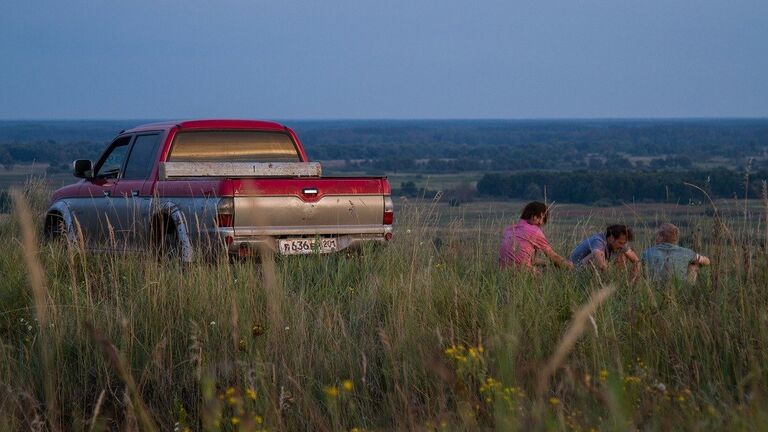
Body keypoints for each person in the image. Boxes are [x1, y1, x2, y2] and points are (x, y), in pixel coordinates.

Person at [499, 201, 574, 271]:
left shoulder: (508, 230)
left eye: (543, 219)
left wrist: (547, 263)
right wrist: (570, 266)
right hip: (524, 274)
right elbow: (553, 257)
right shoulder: (534, 231)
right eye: (539, 217)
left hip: (504, 273)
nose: (541, 222)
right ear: (532, 216)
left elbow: (530, 259)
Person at [641, 223, 711, 283]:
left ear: (661, 237)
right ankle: (689, 289)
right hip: (681, 289)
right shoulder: (686, 252)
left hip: (653, 289)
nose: (656, 237)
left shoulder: (647, 252)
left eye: (657, 235)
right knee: (693, 265)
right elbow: (707, 261)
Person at [570, 225, 641, 281]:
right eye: (620, 243)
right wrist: (610, 282)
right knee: (598, 255)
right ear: (611, 238)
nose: (622, 246)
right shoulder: (598, 240)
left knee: (623, 254)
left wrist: (633, 278)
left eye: (624, 243)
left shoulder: (620, 244)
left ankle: (624, 286)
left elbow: (636, 261)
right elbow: (601, 265)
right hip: (575, 270)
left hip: (588, 271)